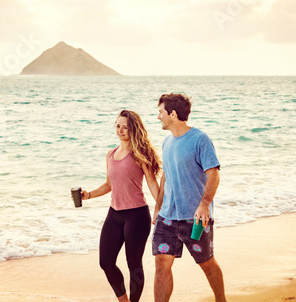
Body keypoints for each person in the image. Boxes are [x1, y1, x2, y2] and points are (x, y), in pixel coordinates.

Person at [81, 110, 161, 302]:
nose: (121, 130)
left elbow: (151, 183)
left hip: (136, 215)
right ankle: (123, 300)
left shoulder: (140, 153)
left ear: (133, 129)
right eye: (118, 125)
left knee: (134, 264)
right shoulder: (111, 154)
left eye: (125, 126)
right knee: (106, 262)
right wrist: (88, 195)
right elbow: (109, 185)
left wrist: (160, 209)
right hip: (114, 215)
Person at [152, 93, 226, 302]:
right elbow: (165, 176)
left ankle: (221, 300)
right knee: (161, 263)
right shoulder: (167, 142)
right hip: (167, 217)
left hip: (194, 218)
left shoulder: (199, 140)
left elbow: (214, 174)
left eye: (160, 112)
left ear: (172, 114)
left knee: (206, 262)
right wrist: (158, 207)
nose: (158, 117)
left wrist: (204, 205)